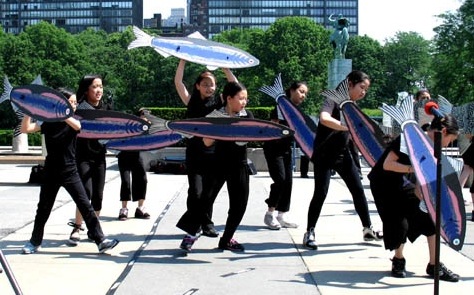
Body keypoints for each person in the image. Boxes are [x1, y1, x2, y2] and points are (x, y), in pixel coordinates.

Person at [21, 88, 119, 254]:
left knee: (84, 205)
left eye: (74, 103)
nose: (74, 106)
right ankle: (34, 242)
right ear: (61, 102)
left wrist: (64, 112)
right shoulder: (46, 120)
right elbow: (26, 129)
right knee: (43, 208)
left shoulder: (72, 120)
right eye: (71, 102)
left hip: (70, 170)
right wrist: (29, 110)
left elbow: (77, 126)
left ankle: (101, 240)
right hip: (51, 171)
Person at [368, 114, 460, 282]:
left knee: (429, 219)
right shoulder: (407, 139)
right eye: (450, 140)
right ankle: (398, 260)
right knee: (399, 222)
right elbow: (388, 165)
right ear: (443, 131)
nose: (448, 145)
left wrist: (422, 199)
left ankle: (434, 265)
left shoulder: (433, 147)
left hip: (402, 183)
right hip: (383, 185)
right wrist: (413, 169)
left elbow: (422, 178)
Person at [303, 70, 381, 250]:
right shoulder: (334, 98)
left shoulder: (351, 106)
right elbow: (324, 118)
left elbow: (359, 133)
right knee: (320, 193)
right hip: (324, 153)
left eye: (366, 89)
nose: (364, 92)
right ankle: (310, 232)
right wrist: (347, 127)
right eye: (362, 87)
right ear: (351, 83)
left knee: (358, 190)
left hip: (342, 154)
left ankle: (367, 229)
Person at [174, 59, 238, 246]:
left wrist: (225, 66)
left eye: (212, 85)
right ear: (198, 86)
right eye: (205, 84)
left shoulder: (219, 102)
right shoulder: (190, 101)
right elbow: (178, 82)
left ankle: (204, 223)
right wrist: (183, 60)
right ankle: (201, 223)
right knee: (195, 191)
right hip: (194, 153)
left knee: (207, 193)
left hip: (214, 153)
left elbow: (234, 86)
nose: (209, 88)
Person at [182, 81, 251, 252]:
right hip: (218, 163)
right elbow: (206, 142)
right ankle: (191, 234)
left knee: (239, 204)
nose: (244, 102)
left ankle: (226, 239)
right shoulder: (215, 116)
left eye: (246, 99)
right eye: (241, 98)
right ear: (229, 98)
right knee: (204, 200)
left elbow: (242, 141)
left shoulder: (247, 116)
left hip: (239, 165)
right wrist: (218, 129)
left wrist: (232, 127)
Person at [68, 74, 112, 246]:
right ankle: (77, 227)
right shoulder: (77, 110)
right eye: (95, 86)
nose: (99, 90)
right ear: (86, 90)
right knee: (85, 193)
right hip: (82, 156)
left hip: (100, 157)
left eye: (100, 86)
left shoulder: (107, 108)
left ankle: (94, 230)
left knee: (98, 195)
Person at [263, 81, 309, 230]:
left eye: (305, 93)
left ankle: (281, 216)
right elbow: (274, 129)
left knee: (288, 182)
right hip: (273, 149)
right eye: (301, 91)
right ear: (292, 90)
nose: (304, 96)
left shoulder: (297, 110)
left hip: (286, 149)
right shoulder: (280, 107)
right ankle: (269, 214)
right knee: (280, 179)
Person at [117, 109, 151, 221]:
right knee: (126, 181)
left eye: (148, 117)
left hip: (137, 156)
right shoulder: (129, 126)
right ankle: (124, 209)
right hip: (124, 156)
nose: (146, 118)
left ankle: (140, 208)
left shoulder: (146, 129)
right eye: (144, 116)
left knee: (142, 179)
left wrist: (148, 129)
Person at [459, 135, 474, 221]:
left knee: (466, 170)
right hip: (469, 144)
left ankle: (457, 194)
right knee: (466, 169)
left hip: (467, 146)